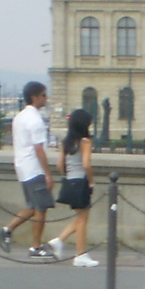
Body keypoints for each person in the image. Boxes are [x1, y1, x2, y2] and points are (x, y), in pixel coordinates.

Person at [0, 82, 55, 258]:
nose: (46, 98)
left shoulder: (19, 117)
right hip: (34, 168)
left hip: (22, 167)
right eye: (44, 95)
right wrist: (48, 173)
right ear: (35, 97)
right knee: (41, 207)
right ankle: (35, 246)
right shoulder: (35, 120)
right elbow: (39, 149)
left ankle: (7, 230)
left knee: (33, 205)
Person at [47, 108, 98, 267]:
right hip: (81, 182)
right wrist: (91, 182)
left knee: (80, 217)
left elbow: (59, 164)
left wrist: (66, 176)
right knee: (83, 219)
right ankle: (80, 254)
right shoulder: (85, 142)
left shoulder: (66, 142)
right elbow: (86, 164)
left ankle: (59, 241)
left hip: (70, 180)